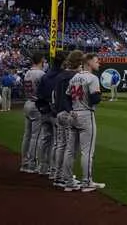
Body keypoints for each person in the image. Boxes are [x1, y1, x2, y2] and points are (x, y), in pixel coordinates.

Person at [64, 53, 104, 192]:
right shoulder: (92, 78)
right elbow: (94, 99)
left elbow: (67, 97)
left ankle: (68, 181)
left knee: (70, 151)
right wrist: (100, 95)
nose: (99, 63)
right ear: (88, 63)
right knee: (87, 152)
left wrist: (70, 111)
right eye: (96, 61)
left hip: (73, 113)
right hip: (86, 114)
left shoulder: (75, 77)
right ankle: (87, 182)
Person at [54, 50, 84, 190]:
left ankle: (59, 176)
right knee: (70, 149)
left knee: (61, 146)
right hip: (69, 113)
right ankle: (67, 179)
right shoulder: (74, 76)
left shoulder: (60, 75)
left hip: (59, 112)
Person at [34, 50, 66, 180]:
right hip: (55, 112)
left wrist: (42, 109)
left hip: (44, 111)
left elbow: (39, 95)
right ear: (63, 62)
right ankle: (54, 170)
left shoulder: (45, 75)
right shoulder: (62, 76)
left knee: (45, 139)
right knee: (57, 143)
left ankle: (42, 167)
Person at [20, 52, 47, 174]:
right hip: (36, 104)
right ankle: (31, 164)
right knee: (36, 136)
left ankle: (24, 162)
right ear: (41, 60)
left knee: (27, 135)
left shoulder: (27, 73)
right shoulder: (41, 74)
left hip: (28, 102)